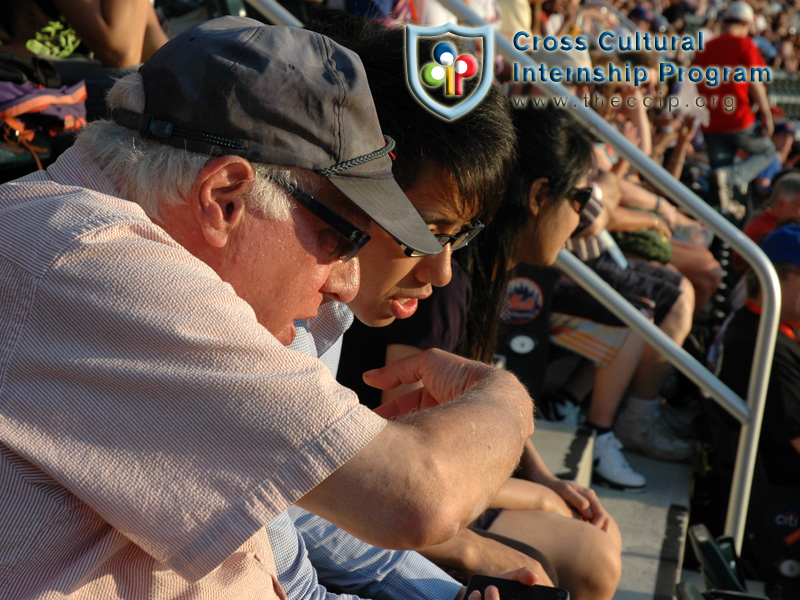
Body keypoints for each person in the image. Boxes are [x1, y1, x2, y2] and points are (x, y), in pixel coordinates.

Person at [0, 17, 537, 599]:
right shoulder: (98, 266)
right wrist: (502, 396)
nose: (344, 284)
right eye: (343, 238)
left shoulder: (92, 247)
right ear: (225, 198)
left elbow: (286, 568)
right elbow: (419, 497)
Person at [340, 104, 624, 600]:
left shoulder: (480, 273)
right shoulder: (441, 286)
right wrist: (534, 493)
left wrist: (542, 477)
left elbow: (471, 385)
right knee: (593, 559)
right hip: (394, 480)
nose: (584, 220)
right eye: (581, 198)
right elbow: (399, 429)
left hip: (427, 473)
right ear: (539, 195)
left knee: (594, 532)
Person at [693, 1, 775, 215]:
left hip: (711, 121)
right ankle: (730, 176)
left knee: (724, 194)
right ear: (748, 23)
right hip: (738, 118)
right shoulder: (745, 44)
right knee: (767, 150)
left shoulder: (706, 47)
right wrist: (766, 113)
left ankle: (725, 220)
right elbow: (756, 81)